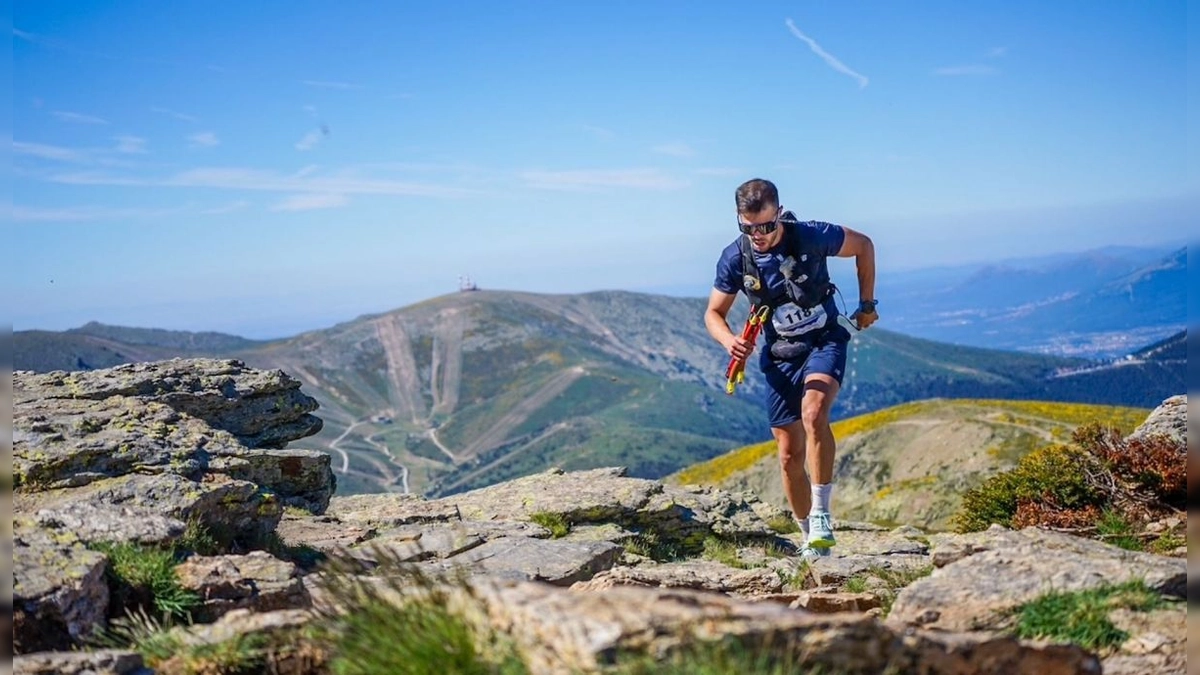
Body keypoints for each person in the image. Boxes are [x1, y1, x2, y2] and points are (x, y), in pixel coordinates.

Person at [705, 178, 877, 559]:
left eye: (766, 226)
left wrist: (866, 305)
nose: (759, 235)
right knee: (787, 454)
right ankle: (810, 541)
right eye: (748, 228)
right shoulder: (736, 258)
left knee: (814, 413)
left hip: (824, 340)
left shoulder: (811, 236)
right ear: (738, 220)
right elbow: (713, 313)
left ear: (779, 214)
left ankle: (821, 515)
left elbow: (863, 246)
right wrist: (728, 340)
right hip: (780, 356)